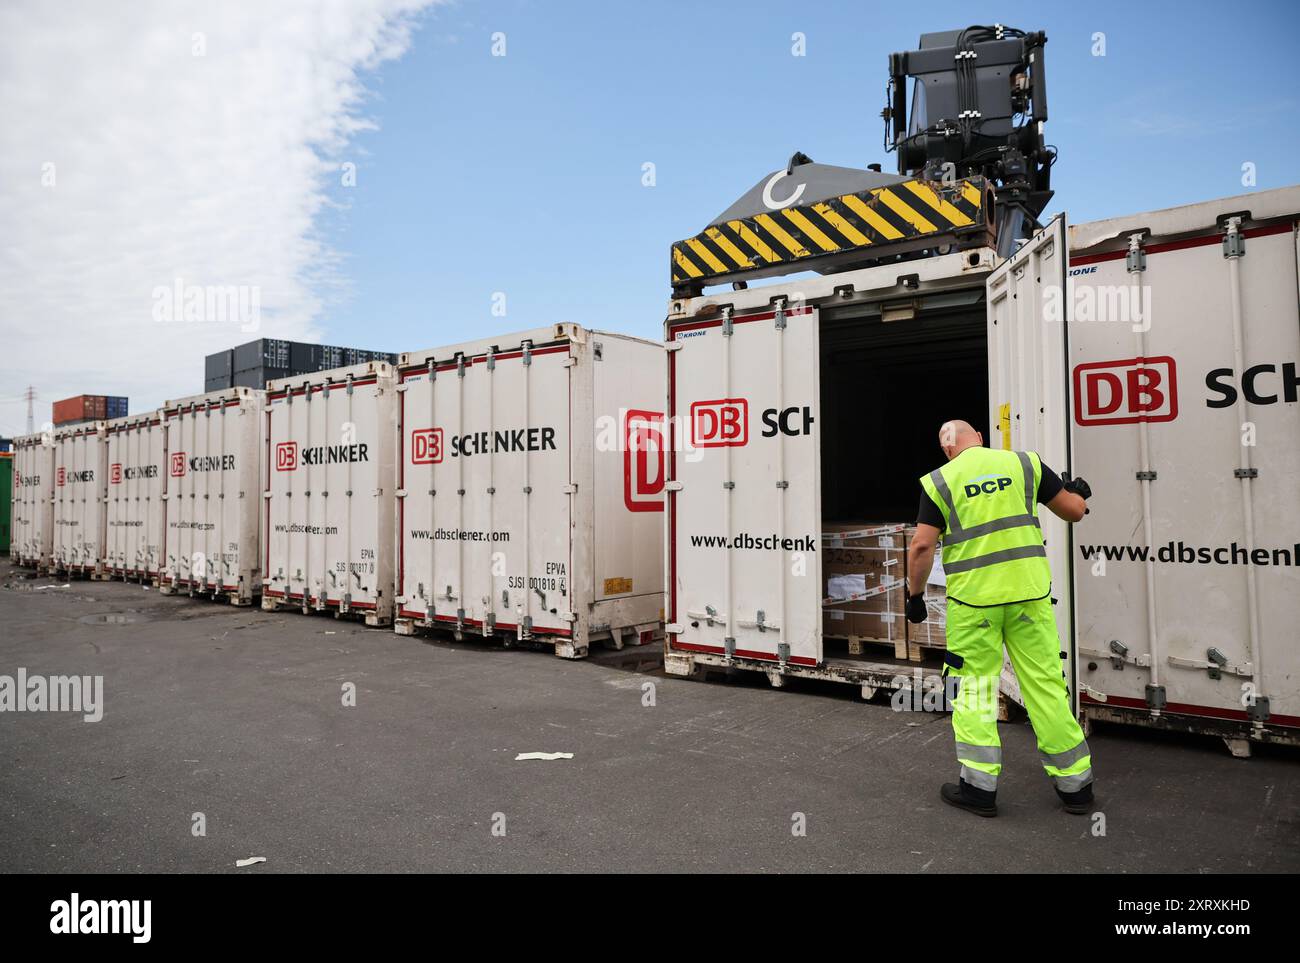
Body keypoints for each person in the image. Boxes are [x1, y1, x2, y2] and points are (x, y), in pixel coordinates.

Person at [905, 419, 1094, 818]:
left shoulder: (939, 481)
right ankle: (1076, 786)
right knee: (1044, 684)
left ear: (948, 450)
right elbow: (1074, 512)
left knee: (972, 687)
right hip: (1029, 598)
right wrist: (1076, 493)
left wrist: (915, 596)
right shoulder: (1024, 464)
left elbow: (922, 546)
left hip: (974, 605)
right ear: (981, 440)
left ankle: (978, 788)